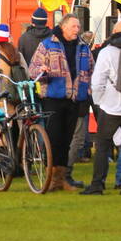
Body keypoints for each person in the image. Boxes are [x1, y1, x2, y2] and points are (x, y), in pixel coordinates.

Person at [29, 13, 94, 192]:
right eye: (74, 26)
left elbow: (91, 69)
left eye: (78, 27)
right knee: (53, 139)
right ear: (63, 27)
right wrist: (42, 70)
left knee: (67, 140)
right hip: (52, 98)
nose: (77, 30)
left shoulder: (83, 47)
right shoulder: (47, 45)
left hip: (74, 99)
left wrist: (87, 89)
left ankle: (62, 179)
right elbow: (32, 70)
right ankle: (50, 178)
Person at [82, 21, 121, 196]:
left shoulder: (107, 52)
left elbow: (98, 80)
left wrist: (99, 101)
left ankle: (97, 184)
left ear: (114, 33)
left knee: (102, 146)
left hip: (111, 106)